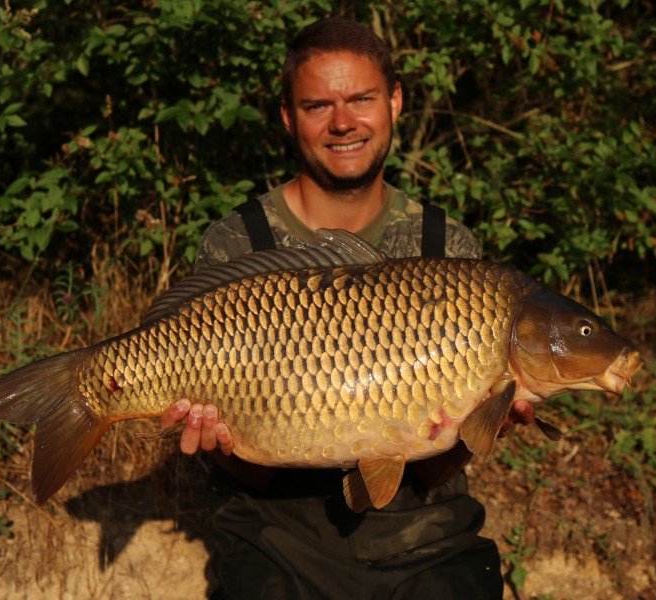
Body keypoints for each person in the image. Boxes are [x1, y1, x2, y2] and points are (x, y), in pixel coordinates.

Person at [158, 17, 534, 599]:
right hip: (273, 530)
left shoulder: (448, 249)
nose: (343, 122)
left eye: (362, 99)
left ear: (395, 101)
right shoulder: (239, 241)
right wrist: (223, 442)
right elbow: (250, 473)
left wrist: (483, 424)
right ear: (288, 116)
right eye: (317, 106)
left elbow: (434, 468)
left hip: (423, 534)